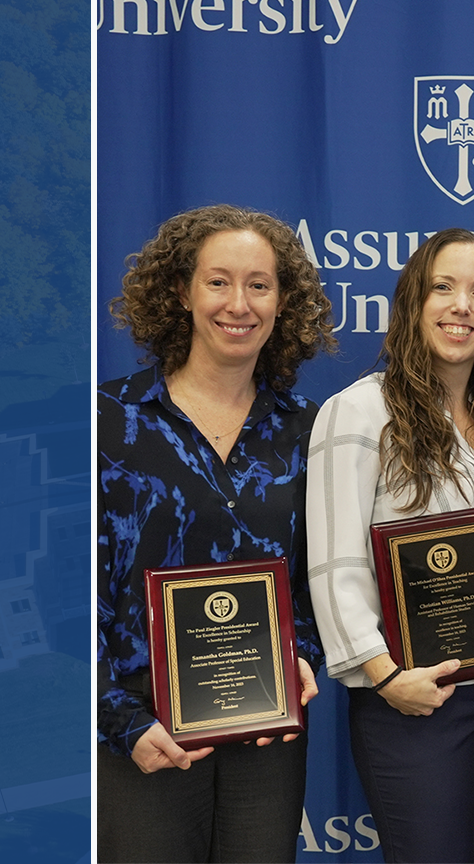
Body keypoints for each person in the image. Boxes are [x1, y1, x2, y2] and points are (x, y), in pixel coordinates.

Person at [97, 204, 335, 862]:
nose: (240, 304)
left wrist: (306, 655)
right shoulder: (107, 423)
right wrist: (118, 718)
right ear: (181, 291)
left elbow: (317, 574)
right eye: (218, 281)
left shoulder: (307, 430)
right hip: (143, 727)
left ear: (283, 301)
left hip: (266, 727)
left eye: (259, 285)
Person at [306, 229, 474, 863]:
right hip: (417, 700)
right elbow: (333, 564)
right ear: (413, 301)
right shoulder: (359, 411)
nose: (461, 306)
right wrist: (384, 676)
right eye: (443, 287)